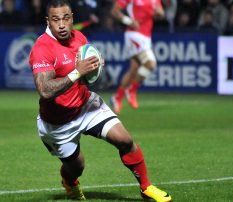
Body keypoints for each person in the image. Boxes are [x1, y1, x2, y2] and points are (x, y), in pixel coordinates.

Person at [28, 0, 172, 201]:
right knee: (77, 167)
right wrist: (78, 72)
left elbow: (89, 74)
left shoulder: (79, 37)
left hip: (86, 105)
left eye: (66, 18)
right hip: (57, 123)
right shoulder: (42, 48)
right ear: (48, 21)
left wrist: (95, 66)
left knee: (125, 140)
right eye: (55, 19)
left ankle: (146, 187)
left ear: (72, 19)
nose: (61, 24)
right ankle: (69, 182)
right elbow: (45, 90)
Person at [109, 0, 165, 114]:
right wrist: (128, 21)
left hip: (146, 37)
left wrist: (159, 13)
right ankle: (132, 89)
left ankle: (117, 97)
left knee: (133, 69)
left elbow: (160, 14)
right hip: (134, 34)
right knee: (151, 64)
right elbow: (114, 11)